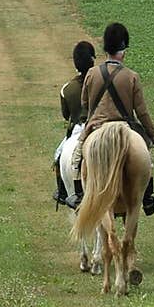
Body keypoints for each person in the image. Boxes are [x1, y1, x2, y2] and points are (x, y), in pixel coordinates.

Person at [66, 21, 154, 214]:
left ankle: (79, 195)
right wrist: (151, 134)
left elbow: (85, 103)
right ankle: (147, 198)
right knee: (147, 160)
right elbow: (141, 111)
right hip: (126, 126)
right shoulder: (132, 76)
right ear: (123, 49)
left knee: (77, 157)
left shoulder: (92, 74)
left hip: (96, 126)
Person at [53, 39, 96, 204]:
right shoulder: (101, 81)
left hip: (79, 128)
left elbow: (66, 115)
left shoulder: (67, 88)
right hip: (101, 124)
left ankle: (63, 192)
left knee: (58, 156)